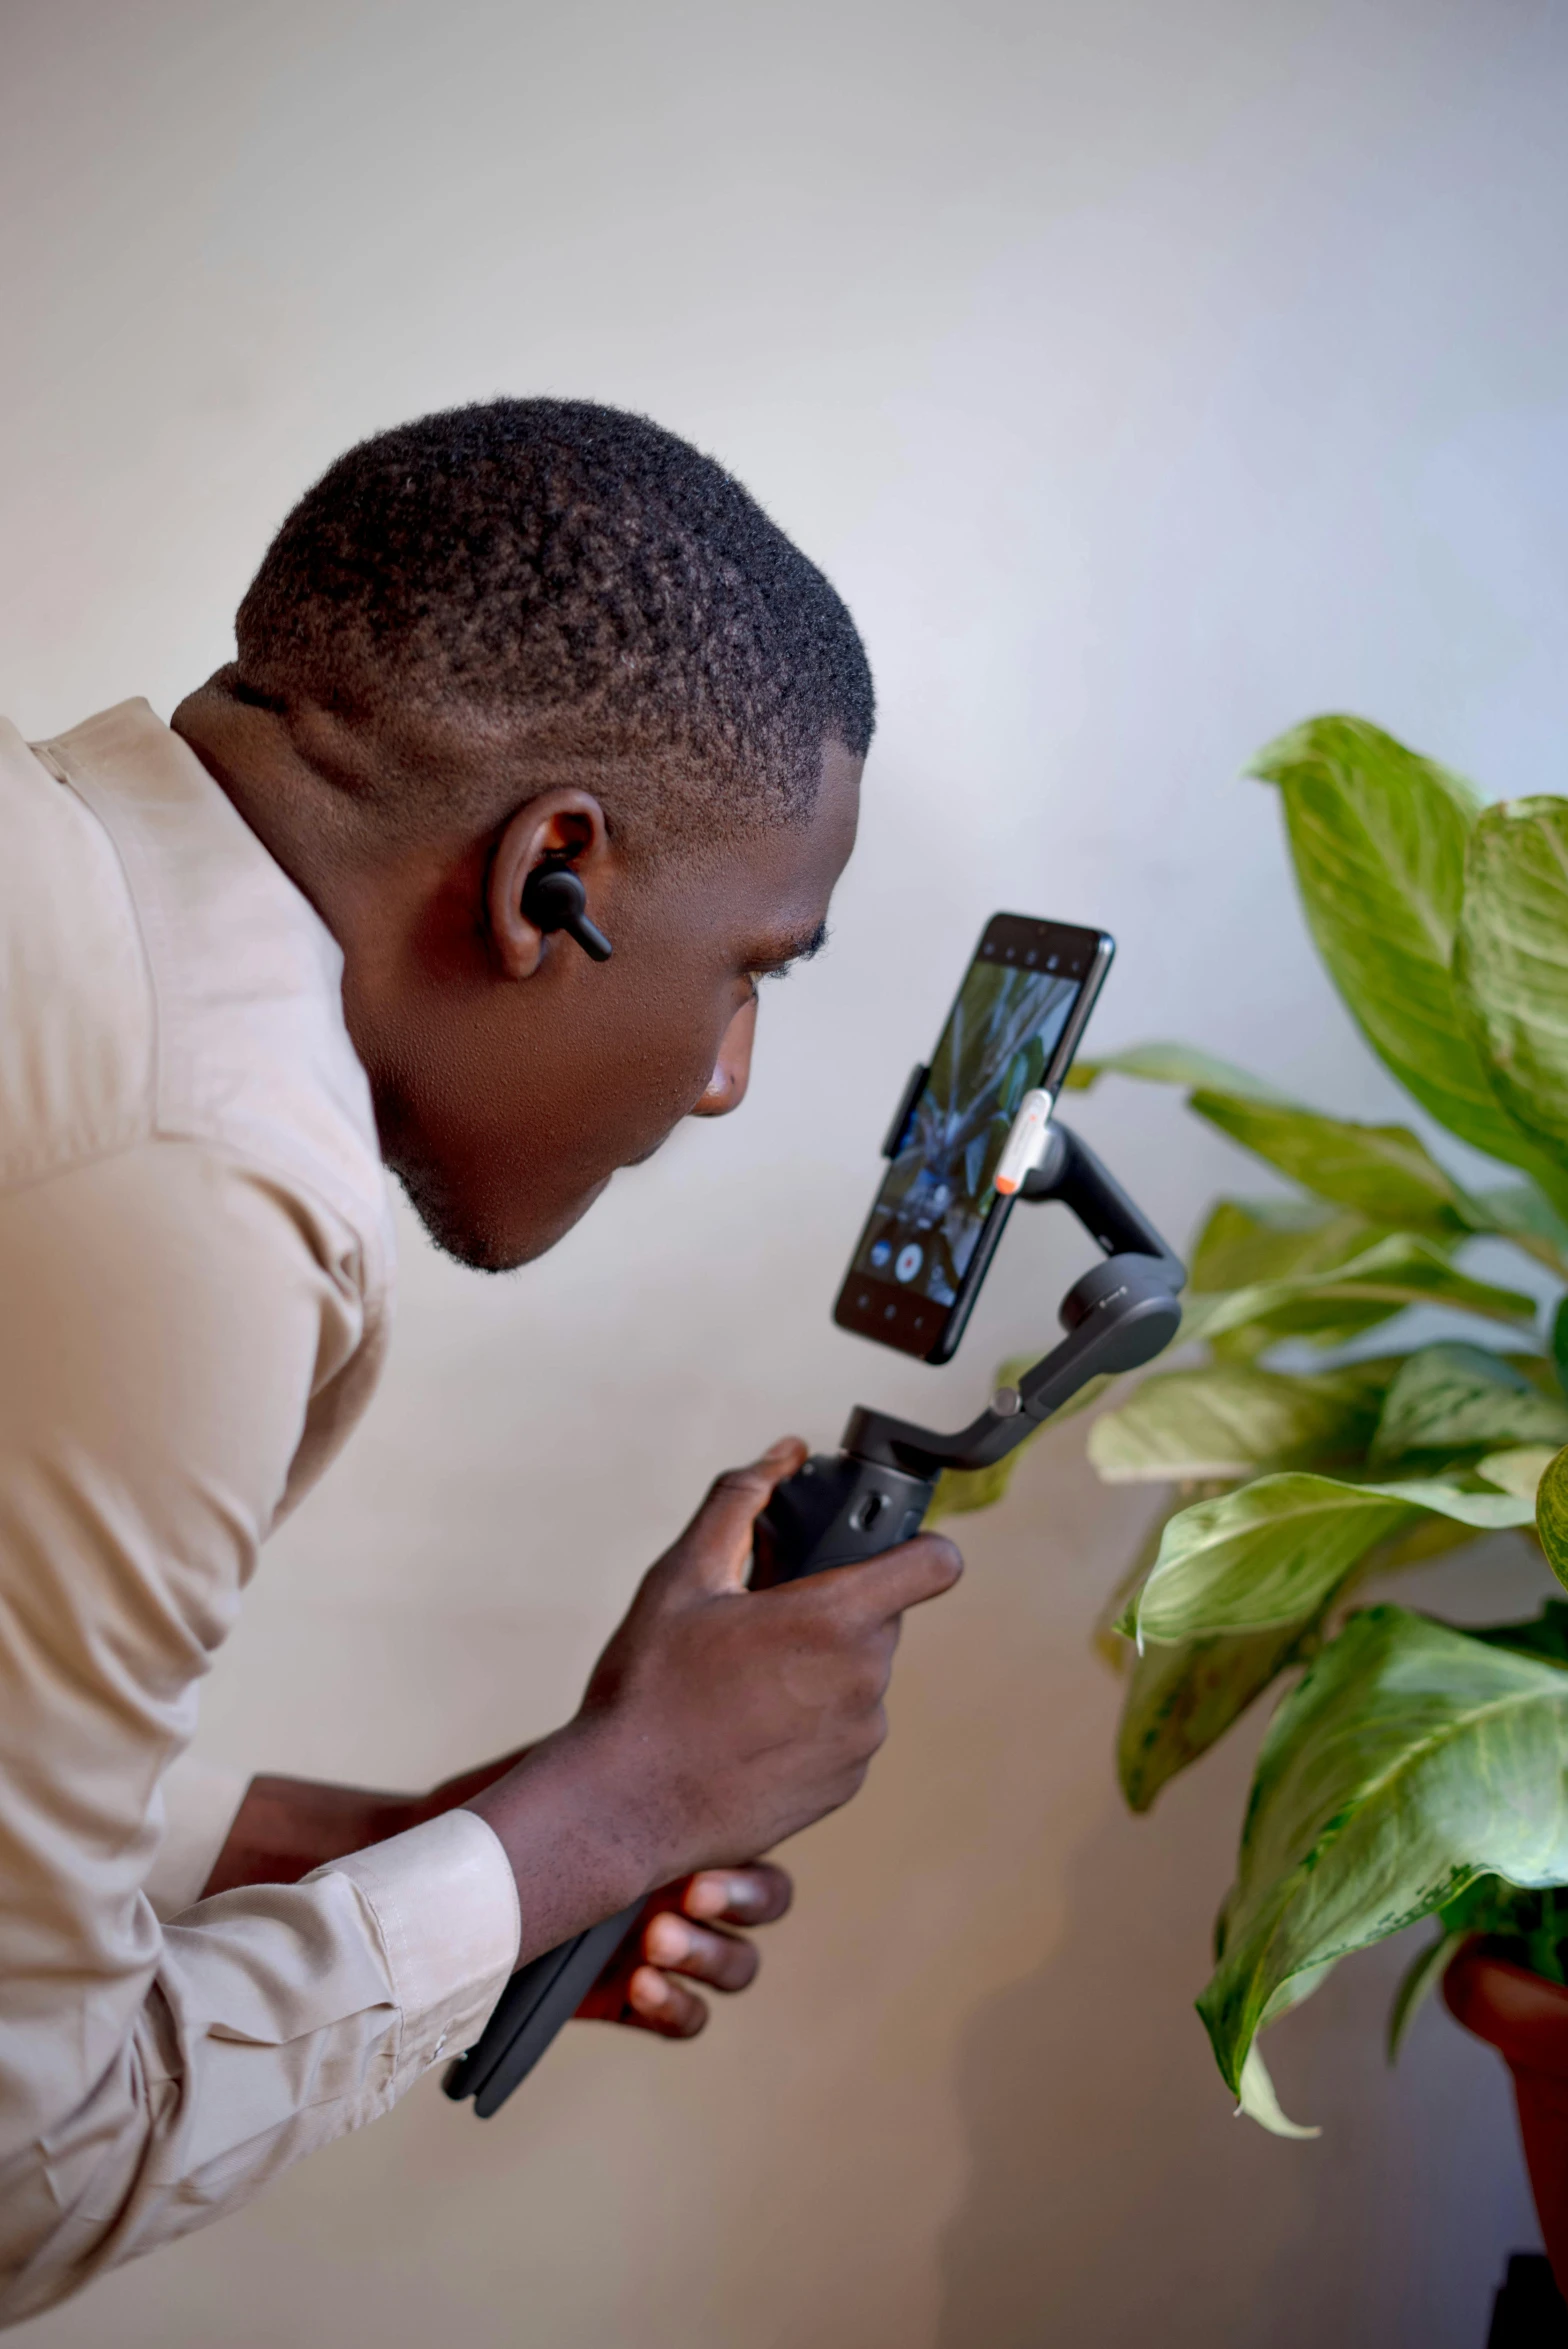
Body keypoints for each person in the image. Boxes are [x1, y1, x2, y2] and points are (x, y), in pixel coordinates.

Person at [0, 399, 961, 2323]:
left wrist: (417, 1858)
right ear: (550, 878)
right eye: (753, 969)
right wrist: (595, 1827)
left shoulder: (61, 877)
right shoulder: (201, 1173)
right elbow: (21, 2169)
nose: (718, 1079)